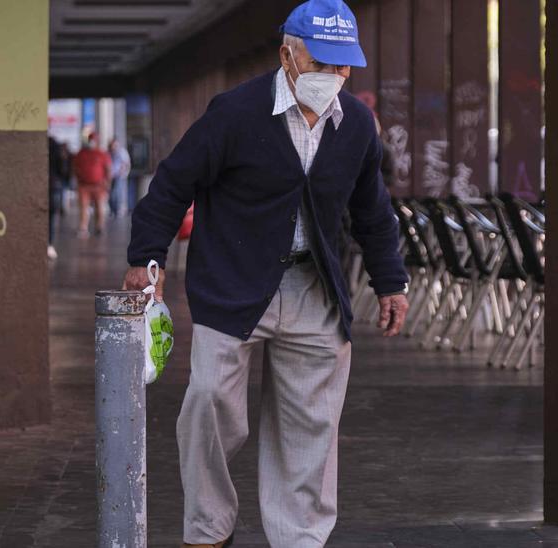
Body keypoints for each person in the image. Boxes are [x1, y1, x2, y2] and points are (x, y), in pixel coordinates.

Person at [123, 1, 408, 546]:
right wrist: (145, 259)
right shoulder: (236, 112)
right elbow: (172, 183)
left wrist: (389, 281)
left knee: (312, 427)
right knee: (208, 406)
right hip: (233, 282)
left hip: (314, 287)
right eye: (322, 63)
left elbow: (373, 210)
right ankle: (208, 530)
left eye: (344, 66)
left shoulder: (357, 126)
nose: (334, 77)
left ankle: (299, 537)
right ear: (288, 54)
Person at [73, 132, 112, 238]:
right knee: (84, 208)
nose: (92, 142)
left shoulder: (102, 154)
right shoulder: (81, 154)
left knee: (100, 207)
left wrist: (107, 183)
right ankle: (83, 228)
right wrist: (78, 179)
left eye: (94, 140)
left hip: (99, 186)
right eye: (90, 140)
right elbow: (75, 167)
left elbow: (108, 170)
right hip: (84, 185)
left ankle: (99, 227)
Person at [109, 137, 133, 218]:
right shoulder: (109, 152)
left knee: (117, 193)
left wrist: (121, 172)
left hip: (119, 176)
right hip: (111, 176)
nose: (113, 146)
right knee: (111, 193)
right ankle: (113, 210)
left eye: (114, 144)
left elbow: (125, 163)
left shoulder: (122, 152)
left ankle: (117, 210)